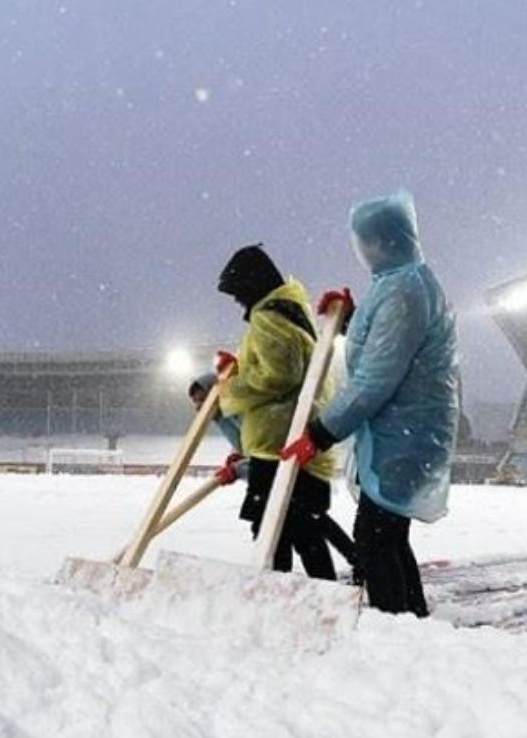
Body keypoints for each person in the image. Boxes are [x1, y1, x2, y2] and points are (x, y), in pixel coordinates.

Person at [281, 190, 459, 617]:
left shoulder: (405, 289)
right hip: (401, 435)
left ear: (387, 240)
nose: (361, 250)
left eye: (367, 241)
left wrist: (320, 433)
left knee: (376, 541)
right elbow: (383, 344)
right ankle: (412, 624)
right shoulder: (398, 283)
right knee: (388, 537)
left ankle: (392, 631)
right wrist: (349, 319)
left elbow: (375, 378)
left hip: (405, 436)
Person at [213, 243, 339, 580]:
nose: (239, 302)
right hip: (289, 443)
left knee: (277, 533)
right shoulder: (290, 313)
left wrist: (230, 388)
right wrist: (239, 366)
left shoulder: (269, 317)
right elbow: (278, 365)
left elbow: (279, 374)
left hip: (279, 446)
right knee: (301, 531)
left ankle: (280, 594)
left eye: (239, 294)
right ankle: (322, 592)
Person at [188, 373, 359, 576]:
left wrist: (238, 469)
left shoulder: (246, 408)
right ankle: (351, 563)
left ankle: (323, 579)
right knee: (308, 526)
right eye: (195, 402)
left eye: (202, 399)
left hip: (296, 472)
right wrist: (237, 456)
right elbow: (247, 446)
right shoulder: (225, 415)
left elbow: (268, 451)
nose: (199, 408)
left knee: (301, 532)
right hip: (276, 480)